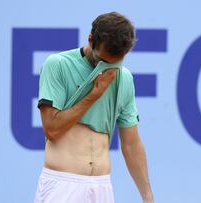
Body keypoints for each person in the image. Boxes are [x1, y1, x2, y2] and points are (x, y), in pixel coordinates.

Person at [34, 12, 154, 203]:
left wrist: (148, 197)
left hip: (102, 187)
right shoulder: (57, 65)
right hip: (63, 186)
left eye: (116, 62)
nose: (107, 68)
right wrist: (94, 95)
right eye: (102, 61)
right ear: (90, 39)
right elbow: (52, 129)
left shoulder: (124, 78)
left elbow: (131, 144)